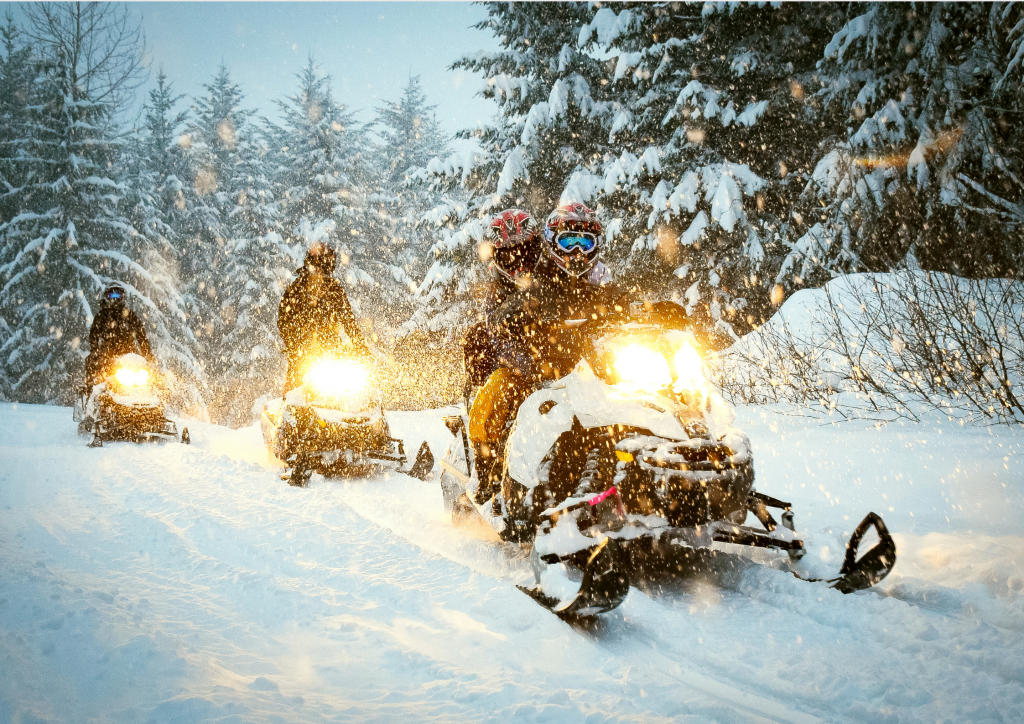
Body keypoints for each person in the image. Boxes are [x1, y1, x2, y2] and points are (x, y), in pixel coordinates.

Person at [468, 203, 630, 500]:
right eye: (569, 242)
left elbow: (617, 298)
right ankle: (487, 468)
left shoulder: (596, 277)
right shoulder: (539, 280)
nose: (577, 251)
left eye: (585, 242)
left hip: (584, 361)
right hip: (533, 359)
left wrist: (648, 310)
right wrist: (523, 342)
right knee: (498, 390)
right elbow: (502, 322)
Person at [278, 242, 369, 392]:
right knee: (295, 392)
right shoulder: (297, 288)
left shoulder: (334, 288)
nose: (323, 268)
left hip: (330, 353)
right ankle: (289, 411)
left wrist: (361, 348)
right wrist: (294, 343)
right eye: (322, 263)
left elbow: (349, 320)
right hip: (304, 355)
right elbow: (284, 320)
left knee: (352, 394)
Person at [84, 285, 154, 387]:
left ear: (122, 297)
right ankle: (92, 390)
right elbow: (93, 335)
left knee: (148, 373)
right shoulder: (102, 315)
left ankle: (155, 392)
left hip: (129, 352)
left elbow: (141, 334)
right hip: (107, 353)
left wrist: (147, 353)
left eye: (118, 296)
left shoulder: (129, 314)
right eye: (112, 295)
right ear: (107, 297)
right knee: (93, 365)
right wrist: (95, 351)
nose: (115, 299)